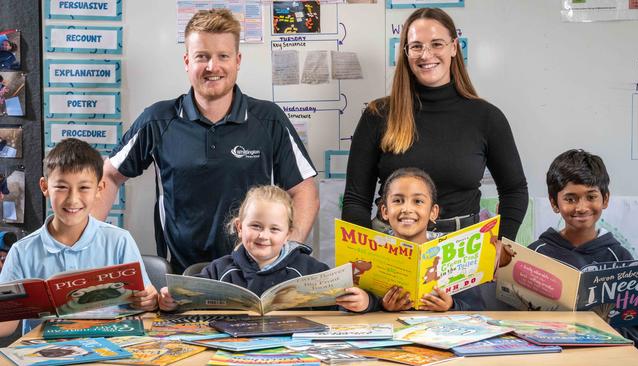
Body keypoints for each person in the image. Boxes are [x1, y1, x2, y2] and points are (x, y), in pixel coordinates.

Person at [92, 9, 319, 274]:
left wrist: (287, 252)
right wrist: (87, 243)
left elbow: (305, 190)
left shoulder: (269, 120)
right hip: (179, 278)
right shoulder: (158, 120)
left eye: (223, 56)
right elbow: (108, 176)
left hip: (254, 275)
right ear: (187, 61)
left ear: (237, 60)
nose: (213, 67)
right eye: (202, 57)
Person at [342, 7, 528, 243]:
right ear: (406, 53)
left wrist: (502, 241)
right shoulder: (377, 115)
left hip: (462, 246)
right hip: (391, 242)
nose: (426, 54)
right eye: (417, 46)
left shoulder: (487, 117)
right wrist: (363, 249)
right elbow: (356, 200)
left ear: (453, 47)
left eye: (437, 44)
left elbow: (515, 191)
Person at [0, 138, 158, 337]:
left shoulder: (120, 241)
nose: (73, 199)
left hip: (110, 348)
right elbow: (6, 323)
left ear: (99, 189)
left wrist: (149, 299)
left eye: (84, 188)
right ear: (45, 187)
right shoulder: (21, 251)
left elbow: (146, 299)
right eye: (61, 187)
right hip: (45, 352)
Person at [158, 185, 380, 313]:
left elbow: (344, 306)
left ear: (288, 234)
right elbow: (185, 309)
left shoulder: (310, 269)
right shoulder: (218, 271)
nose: (264, 235)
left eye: (274, 229)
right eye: (255, 226)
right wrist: (170, 303)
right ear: (239, 227)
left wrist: (365, 302)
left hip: (296, 354)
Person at [529, 149, 638, 353]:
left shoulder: (620, 259)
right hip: (546, 357)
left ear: (605, 199)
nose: (581, 207)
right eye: (570, 199)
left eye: (591, 196)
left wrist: (604, 334)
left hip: (604, 359)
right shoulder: (535, 254)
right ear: (554, 203)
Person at [376, 168, 486, 312]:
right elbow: (349, 305)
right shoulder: (373, 250)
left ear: (433, 212)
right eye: (398, 200)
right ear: (384, 211)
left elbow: (478, 308)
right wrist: (382, 306)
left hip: (443, 330)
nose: (407, 208)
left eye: (418, 201)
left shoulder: (456, 254)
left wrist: (451, 305)